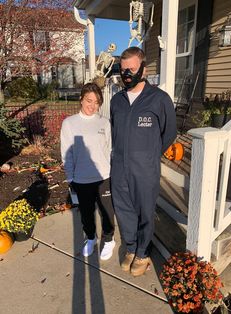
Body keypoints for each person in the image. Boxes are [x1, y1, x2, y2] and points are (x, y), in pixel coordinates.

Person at [110, 47, 176, 276]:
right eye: (123, 68)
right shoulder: (116, 100)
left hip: (145, 168)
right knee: (124, 209)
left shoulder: (159, 99)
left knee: (145, 211)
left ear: (144, 69)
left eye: (132, 68)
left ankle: (143, 253)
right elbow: (114, 129)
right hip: (119, 166)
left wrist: (149, 154)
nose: (126, 73)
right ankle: (130, 247)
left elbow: (169, 133)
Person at [60, 82, 115, 260]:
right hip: (81, 179)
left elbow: (109, 149)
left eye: (97, 102)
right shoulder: (69, 124)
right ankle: (90, 238)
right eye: (89, 101)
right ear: (81, 99)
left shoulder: (104, 123)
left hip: (103, 177)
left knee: (107, 212)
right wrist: (70, 178)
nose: (93, 106)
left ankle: (109, 239)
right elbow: (66, 153)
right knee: (86, 213)